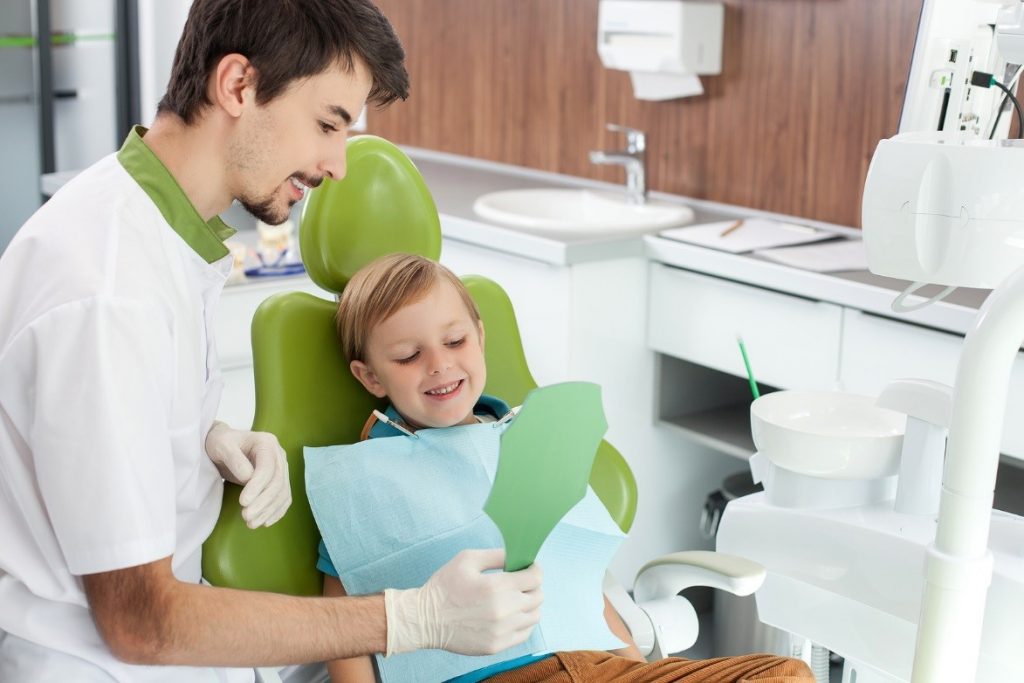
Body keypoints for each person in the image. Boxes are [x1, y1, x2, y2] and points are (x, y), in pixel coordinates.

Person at [0, 2, 541, 681]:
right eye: (327, 124)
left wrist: (201, 438)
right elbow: (142, 621)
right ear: (236, 86)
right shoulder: (109, 290)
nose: (338, 164)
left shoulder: (159, 234)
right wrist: (411, 618)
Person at [321, 252, 815, 682]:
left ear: (479, 337)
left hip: (597, 665)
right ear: (370, 376)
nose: (439, 364)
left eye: (455, 342)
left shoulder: (531, 441)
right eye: (409, 356)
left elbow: (582, 585)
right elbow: (346, 627)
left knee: (786, 674)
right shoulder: (363, 485)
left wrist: (639, 670)